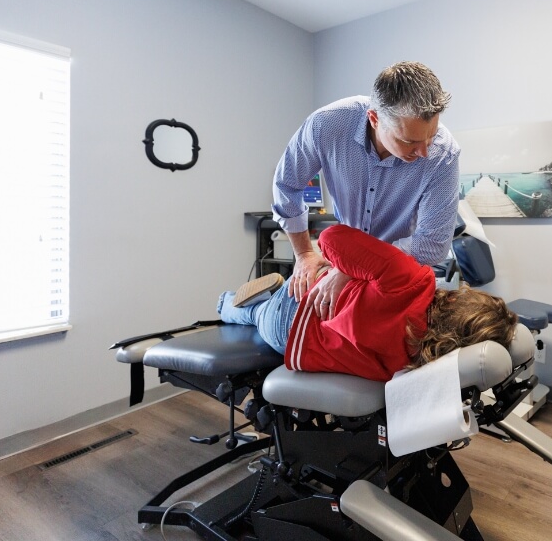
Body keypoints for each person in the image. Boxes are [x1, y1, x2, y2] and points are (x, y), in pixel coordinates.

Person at [272, 61, 461, 320]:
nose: (425, 152)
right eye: (411, 141)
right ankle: (232, 305)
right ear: (374, 119)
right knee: (291, 312)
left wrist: (356, 269)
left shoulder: (443, 154)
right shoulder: (327, 125)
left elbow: (433, 244)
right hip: (343, 256)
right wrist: (304, 253)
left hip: (398, 266)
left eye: (431, 136)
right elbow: (287, 185)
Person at [217, 224, 515, 382]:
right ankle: (258, 301)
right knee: (257, 317)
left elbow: (331, 237)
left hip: (298, 306)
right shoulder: (418, 364)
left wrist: (345, 270)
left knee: (249, 312)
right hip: (291, 346)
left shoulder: (413, 280)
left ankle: (226, 302)